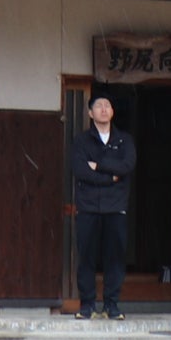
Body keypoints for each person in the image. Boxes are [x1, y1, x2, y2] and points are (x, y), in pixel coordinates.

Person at [69, 94, 136, 319]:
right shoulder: (81, 141)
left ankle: (111, 305)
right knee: (86, 257)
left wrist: (98, 165)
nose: (104, 109)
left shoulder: (124, 140)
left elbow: (126, 166)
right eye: (99, 106)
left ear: (113, 111)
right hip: (88, 206)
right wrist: (110, 177)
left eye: (108, 105)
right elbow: (80, 171)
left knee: (114, 257)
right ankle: (87, 305)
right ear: (90, 113)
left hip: (116, 207)